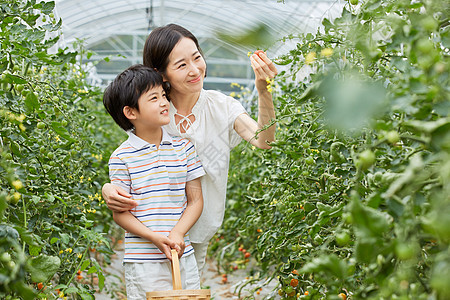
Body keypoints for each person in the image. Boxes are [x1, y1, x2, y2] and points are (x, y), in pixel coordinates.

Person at [102, 23, 278, 275]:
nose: (195, 70)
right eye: (181, 65)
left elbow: (265, 141)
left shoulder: (222, 107)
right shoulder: (154, 110)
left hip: (200, 227)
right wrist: (108, 188)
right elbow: (129, 158)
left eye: (197, 57)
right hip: (154, 230)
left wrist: (264, 91)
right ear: (161, 74)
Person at [103, 64, 205, 299]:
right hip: (143, 261)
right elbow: (121, 213)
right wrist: (154, 238)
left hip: (182, 255)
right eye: (153, 98)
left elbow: (196, 200)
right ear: (131, 113)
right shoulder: (121, 157)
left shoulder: (184, 148)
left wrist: (178, 233)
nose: (163, 102)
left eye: (163, 95)